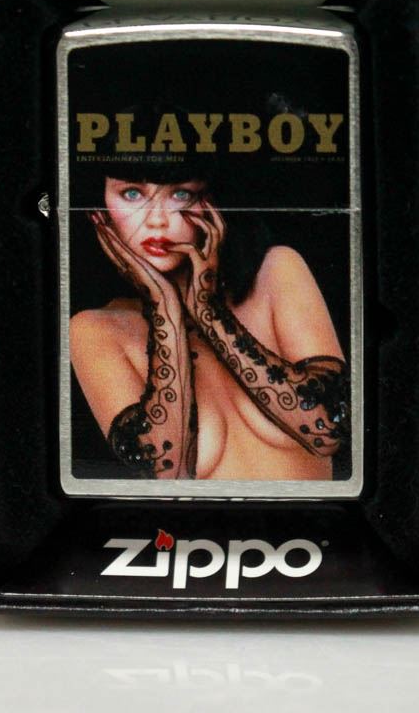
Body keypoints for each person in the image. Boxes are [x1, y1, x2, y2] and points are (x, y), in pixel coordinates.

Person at [69, 113, 350, 482]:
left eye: (180, 193)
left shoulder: (276, 272)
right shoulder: (95, 331)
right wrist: (164, 308)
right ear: (99, 208)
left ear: (211, 200)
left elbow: (328, 431)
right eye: (132, 193)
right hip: (199, 523)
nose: (157, 220)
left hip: (312, 520)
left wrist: (208, 311)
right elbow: (168, 473)